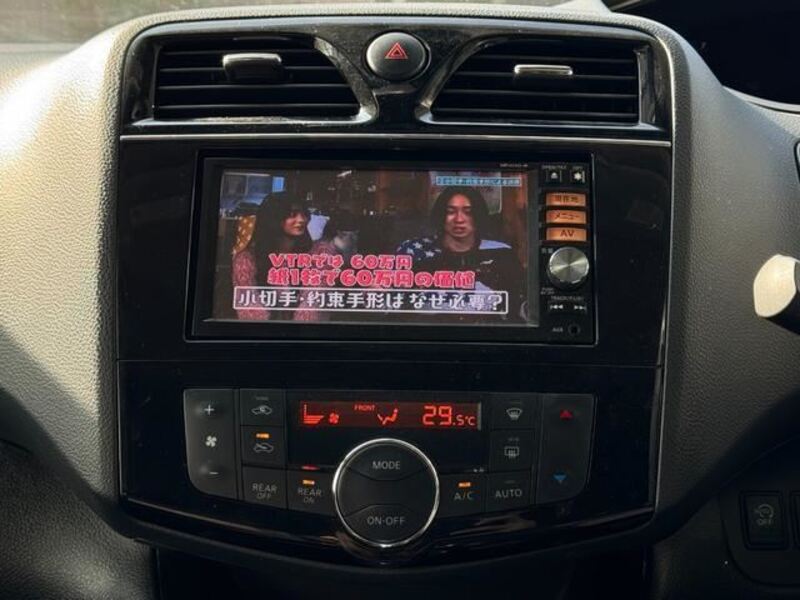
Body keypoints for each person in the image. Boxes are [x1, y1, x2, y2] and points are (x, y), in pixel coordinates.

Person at [397, 186, 525, 320]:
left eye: (468, 212)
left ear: (478, 215)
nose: (459, 219)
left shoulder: (501, 253)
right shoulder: (415, 251)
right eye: (450, 212)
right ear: (441, 215)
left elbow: (518, 308)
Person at [231, 191, 312, 320]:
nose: (301, 220)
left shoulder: (311, 256)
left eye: (304, 214)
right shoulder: (246, 259)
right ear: (274, 218)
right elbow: (249, 311)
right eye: (292, 214)